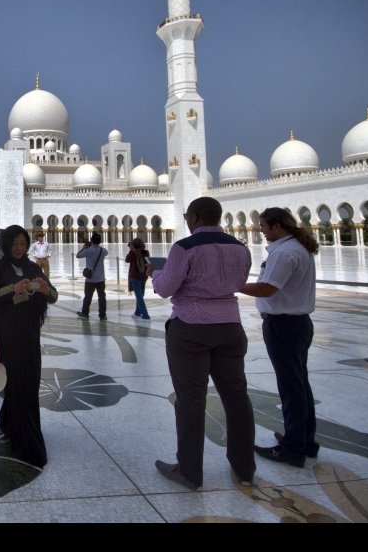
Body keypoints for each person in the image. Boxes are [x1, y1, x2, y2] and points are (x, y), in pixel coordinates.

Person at [149, 196, 255, 491]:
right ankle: (245, 468)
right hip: (231, 327)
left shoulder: (184, 248)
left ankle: (190, 471)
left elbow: (165, 288)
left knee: (191, 401)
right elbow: (241, 281)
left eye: (187, 215)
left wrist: (154, 274)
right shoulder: (240, 247)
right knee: (236, 398)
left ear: (194, 217)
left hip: (192, 328)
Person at [239, 207, 321, 468]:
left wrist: (232, 284)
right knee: (299, 384)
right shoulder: (297, 247)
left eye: (263, 226)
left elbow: (267, 288)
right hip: (298, 325)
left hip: (284, 327)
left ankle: (293, 448)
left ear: (277, 226)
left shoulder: (284, 253)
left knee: (291, 387)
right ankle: (305, 440)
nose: (261, 230)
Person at [0, 224, 57, 468]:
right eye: (15, 244)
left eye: (23, 245)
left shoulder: (32, 266)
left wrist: (47, 290)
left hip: (28, 333)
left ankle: (13, 424)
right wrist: (12, 288)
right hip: (8, 334)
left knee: (29, 381)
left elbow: (53, 295)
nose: (19, 248)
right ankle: (20, 435)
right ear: (6, 245)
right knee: (15, 384)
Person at [76, 232, 108, 319]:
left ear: (91, 240)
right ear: (100, 241)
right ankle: (102, 314)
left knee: (87, 297)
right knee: (102, 298)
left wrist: (84, 248)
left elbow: (78, 255)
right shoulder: (103, 251)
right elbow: (107, 253)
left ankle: (85, 313)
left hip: (90, 279)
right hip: (101, 279)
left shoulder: (88, 250)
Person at [124, 237, 149, 319]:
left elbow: (127, 260)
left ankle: (145, 315)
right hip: (144, 276)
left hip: (135, 276)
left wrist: (131, 250)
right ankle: (137, 312)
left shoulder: (133, 253)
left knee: (139, 297)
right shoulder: (146, 252)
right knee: (141, 295)